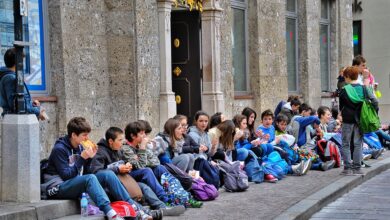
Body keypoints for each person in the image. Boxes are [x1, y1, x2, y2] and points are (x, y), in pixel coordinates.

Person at [43, 117, 140, 220]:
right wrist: (82, 158)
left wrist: (90, 158)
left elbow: (85, 172)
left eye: (87, 134)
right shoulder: (59, 149)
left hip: (75, 182)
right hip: (57, 187)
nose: (87, 138)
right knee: (90, 178)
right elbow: (66, 176)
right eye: (84, 135)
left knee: (108, 174)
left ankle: (132, 206)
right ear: (74, 135)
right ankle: (111, 213)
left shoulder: (80, 147)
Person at [86, 126, 184, 217]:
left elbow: (127, 163)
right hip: (109, 186)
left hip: (123, 180)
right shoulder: (100, 151)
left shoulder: (118, 150)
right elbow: (96, 172)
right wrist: (117, 169)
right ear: (111, 141)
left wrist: (127, 166)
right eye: (120, 140)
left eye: (122, 140)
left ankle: (163, 207)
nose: (122, 143)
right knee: (145, 174)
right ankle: (145, 212)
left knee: (144, 187)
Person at [339, 66, 378, 175]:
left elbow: (341, 107)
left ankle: (347, 169)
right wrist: (374, 112)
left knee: (346, 143)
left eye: (345, 76)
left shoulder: (344, 90)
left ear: (347, 76)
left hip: (347, 120)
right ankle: (357, 168)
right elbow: (375, 101)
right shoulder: (364, 88)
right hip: (360, 119)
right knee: (358, 144)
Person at [121, 121, 171, 204]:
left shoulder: (139, 145)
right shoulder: (125, 149)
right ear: (133, 136)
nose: (144, 136)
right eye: (141, 134)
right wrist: (143, 148)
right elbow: (140, 166)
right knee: (147, 170)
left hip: (141, 171)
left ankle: (173, 193)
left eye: (144, 133)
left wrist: (141, 154)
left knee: (160, 168)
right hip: (130, 175)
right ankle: (164, 198)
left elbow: (156, 161)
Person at [0, 48, 46, 119]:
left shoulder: (10, 76)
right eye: (22, 61)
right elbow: (17, 106)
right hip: (16, 121)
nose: (23, 64)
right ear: (18, 63)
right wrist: (38, 111)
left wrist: (32, 104)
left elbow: (20, 101)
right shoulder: (10, 78)